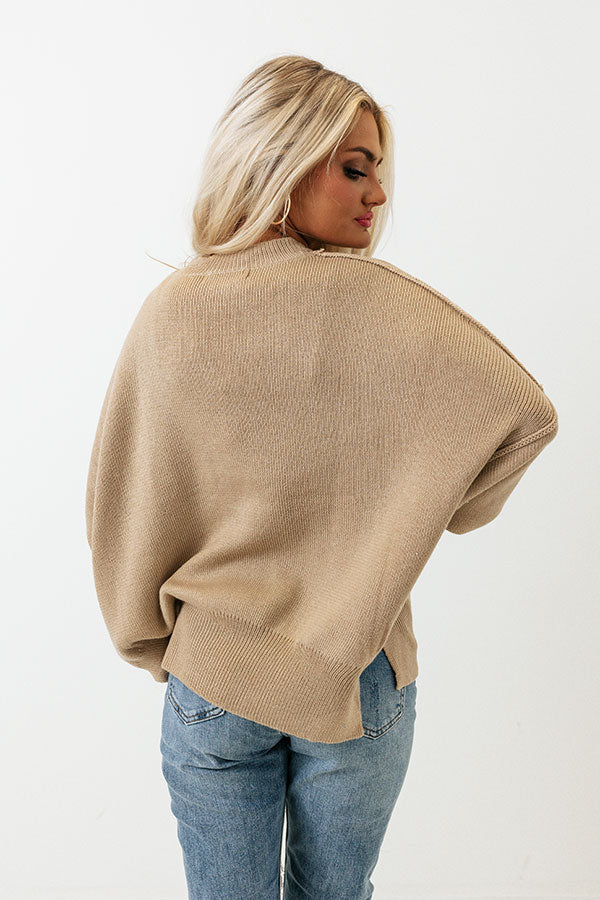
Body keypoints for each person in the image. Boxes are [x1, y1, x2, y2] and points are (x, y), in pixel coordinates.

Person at [85, 55, 559, 900]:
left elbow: (121, 507)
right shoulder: (389, 306)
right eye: (353, 169)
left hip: (217, 670)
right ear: (280, 160)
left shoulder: (175, 310)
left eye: (377, 171)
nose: (378, 194)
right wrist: (436, 503)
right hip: (359, 672)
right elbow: (527, 417)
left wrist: (156, 644)